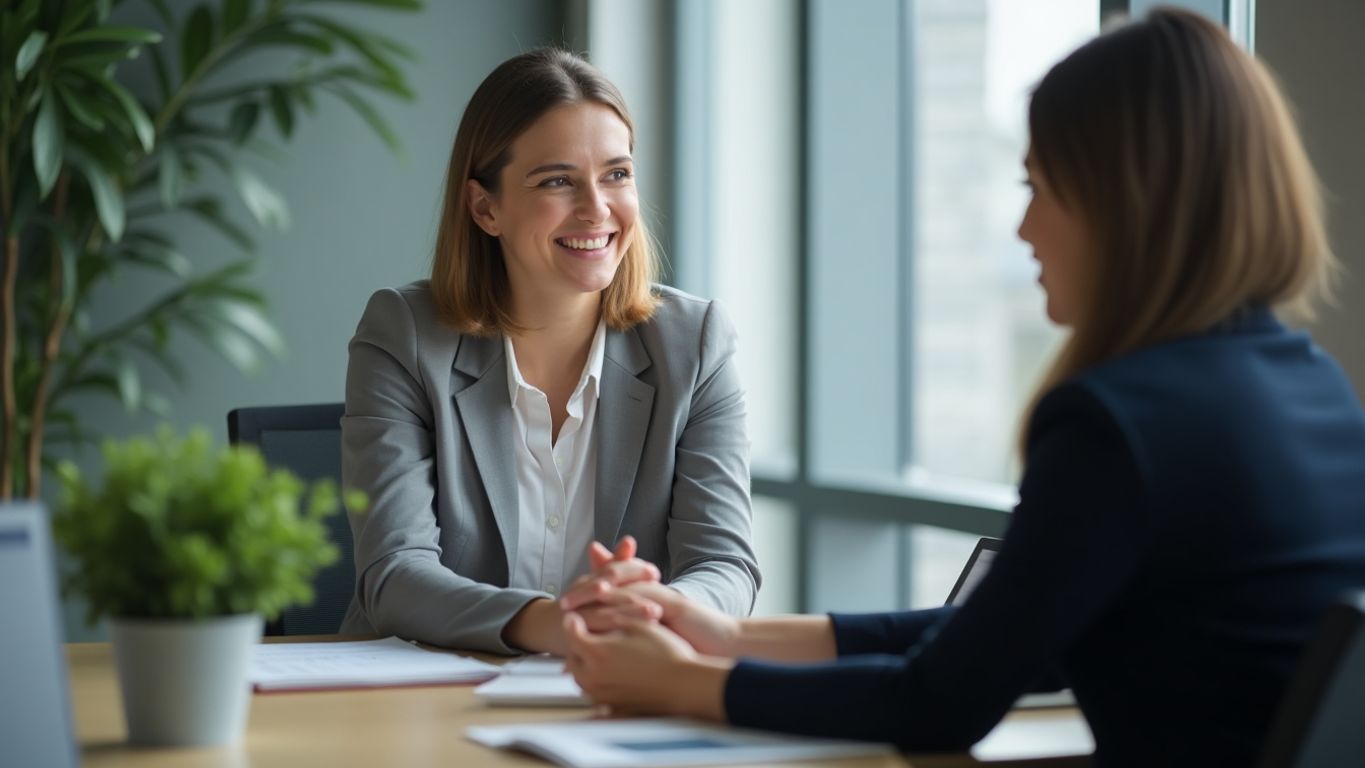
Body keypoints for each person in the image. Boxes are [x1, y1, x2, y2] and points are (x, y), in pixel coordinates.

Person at [558, 9, 1365, 765]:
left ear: (1122, 208)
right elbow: (1013, 635)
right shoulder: (1311, 388)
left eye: (1036, 188)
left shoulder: (1118, 426)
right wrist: (730, 640)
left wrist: (681, 683)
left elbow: (938, 703)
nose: (1023, 230)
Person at [339, 48, 760, 655]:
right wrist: (557, 624)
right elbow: (394, 574)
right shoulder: (403, 335)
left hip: (626, 691)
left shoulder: (696, 344)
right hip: (423, 698)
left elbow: (725, 566)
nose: (597, 209)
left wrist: (647, 611)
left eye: (617, 174)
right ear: (486, 207)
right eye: (558, 181)